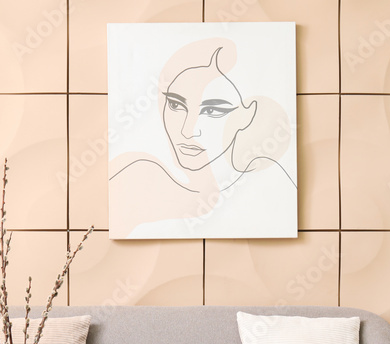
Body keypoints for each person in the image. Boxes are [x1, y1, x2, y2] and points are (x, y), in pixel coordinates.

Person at [109, 45, 296, 239]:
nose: (187, 131)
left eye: (211, 111)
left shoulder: (272, 192)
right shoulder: (138, 175)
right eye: (175, 105)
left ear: (246, 117)